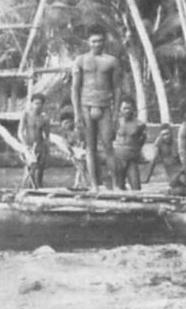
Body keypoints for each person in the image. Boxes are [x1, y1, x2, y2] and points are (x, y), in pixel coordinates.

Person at [71, 24, 121, 191]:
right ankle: (94, 185)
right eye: (93, 41)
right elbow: (75, 88)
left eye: (100, 41)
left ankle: (115, 185)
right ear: (88, 42)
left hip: (105, 106)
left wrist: (115, 114)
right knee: (90, 147)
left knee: (108, 146)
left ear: (104, 41)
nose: (97, 44)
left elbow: (117, 88)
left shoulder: (112, 61)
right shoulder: (80, 60)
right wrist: (77, 113)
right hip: (86, 105)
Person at [112, 96, 147, 190]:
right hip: (118, 159)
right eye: (124, 108)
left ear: (133, 109)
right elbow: (108, 139)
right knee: (119, 188)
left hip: (131, 160)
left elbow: (142, 140)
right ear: (120, 109)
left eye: (129, 108)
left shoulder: (139, 125)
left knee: (137, 189)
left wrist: (136, 151)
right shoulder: (116, 122)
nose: (127, 111)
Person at [18, 93, 51, 188]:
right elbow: (20, 132)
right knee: (31, 169)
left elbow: (47, 136)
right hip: (28, 144)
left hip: (40, 144)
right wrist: (24, 144)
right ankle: (29, 188)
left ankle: (39, 189)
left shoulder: (44, 118)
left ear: (43, 105)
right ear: (32, 104)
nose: (37, 106)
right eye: (35, 103)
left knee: (40, 170)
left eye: (40, 104)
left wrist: (48, 149)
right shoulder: (26, 115)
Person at [56, 109, 90, 188]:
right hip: (73, 152)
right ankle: (81, 182)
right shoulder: (64, 133)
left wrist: (82, 147)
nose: (66, 125)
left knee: (82, 167)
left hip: (81, 151)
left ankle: (80, 182)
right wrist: (70, 152)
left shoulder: (77, 130)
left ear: (72, 121)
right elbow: (66, 144)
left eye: (68, 122)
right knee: (80, 167)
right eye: (64, 123)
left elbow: (83, 140)